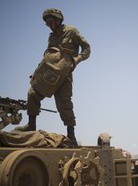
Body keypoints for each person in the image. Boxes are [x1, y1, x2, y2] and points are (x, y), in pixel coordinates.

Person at [15, 8, 91, 147]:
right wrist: (37, 72)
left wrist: (76, 60)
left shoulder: (71, 31)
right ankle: (31, 126)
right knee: (32, 93)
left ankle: (71, 136)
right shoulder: (51, 37)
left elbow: (87, 48)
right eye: (47, 23)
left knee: (65, 105)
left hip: (64, 76)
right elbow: (47, 58)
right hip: (48, 75)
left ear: (58, 19)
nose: (49, 25)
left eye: (51, 22)